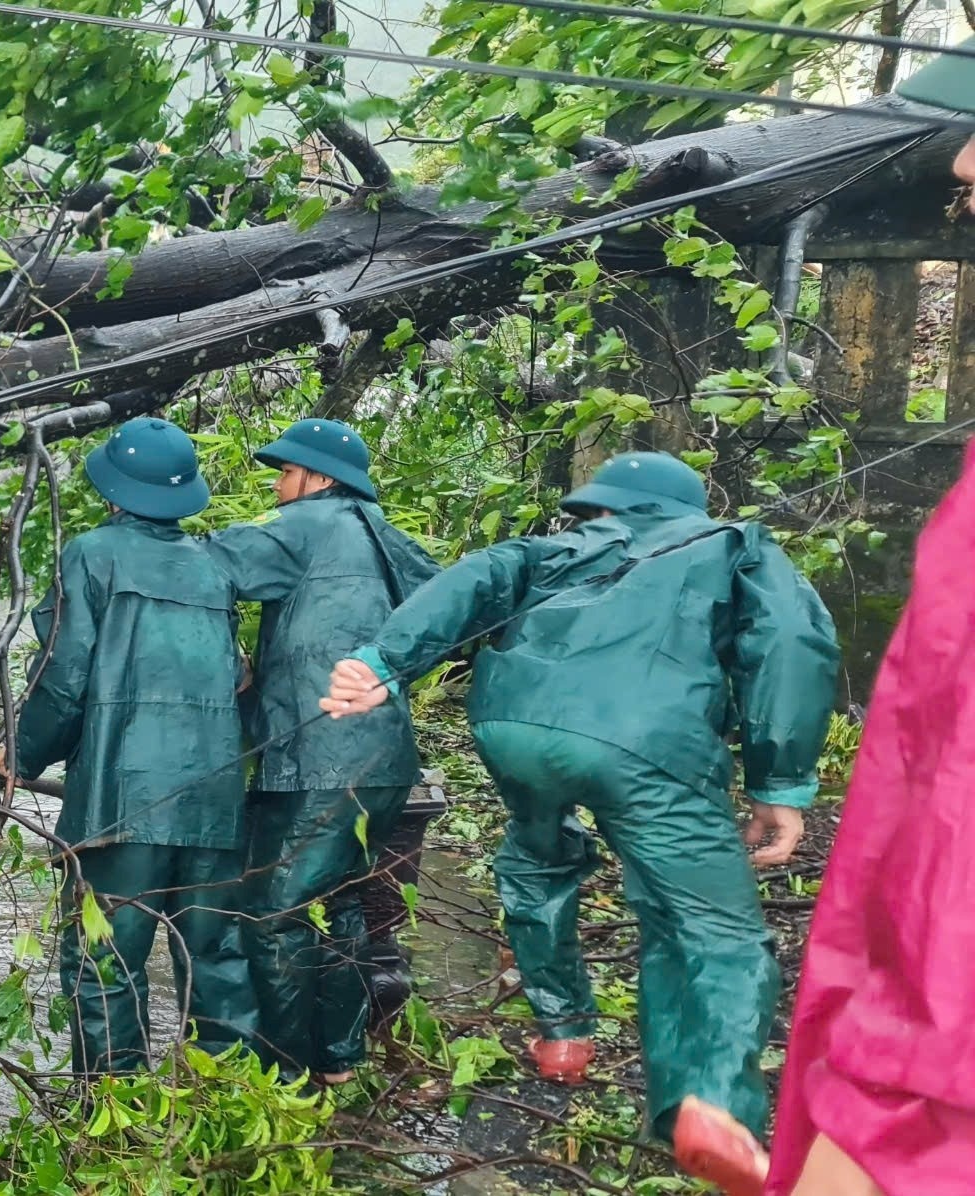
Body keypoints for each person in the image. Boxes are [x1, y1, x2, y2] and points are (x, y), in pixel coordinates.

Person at [318, 451, 838, 1187]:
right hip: (646, 740)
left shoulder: (547, 549)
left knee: (538, 858)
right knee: (709, 929)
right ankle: (710, 1101)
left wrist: (380, 662)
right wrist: (779, 783)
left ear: (598, 508)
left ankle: (562, 1030)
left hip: (514, 729)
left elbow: (474, 579)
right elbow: (789, 644)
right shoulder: (734, 543)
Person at [759, 44, 975, 1196]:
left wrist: (873, 1115)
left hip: (924, 1082)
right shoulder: (750, 563)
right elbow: (795, 654)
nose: (962, 163)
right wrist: (779, 787)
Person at [9, 416, 260, 1073]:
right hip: (215, 797)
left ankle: (115, 1118)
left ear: (114, 491)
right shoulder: (212, 564)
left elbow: (65, 678)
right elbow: (237, 676)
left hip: (122, 798)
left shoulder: (92, 553)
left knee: (105, 959)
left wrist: (16, 758)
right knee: (216, 956)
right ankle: (232, 1098)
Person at [204, 419, 440, 1084]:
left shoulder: (309, 521)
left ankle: (285, 1075)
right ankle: (339, 1059)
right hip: (384, 761)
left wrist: (229, 662)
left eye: (285, 473)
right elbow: (458, 607)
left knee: (272, 915)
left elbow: (197, 571)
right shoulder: (387, 536)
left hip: (320, 760)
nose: (278, 488)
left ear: (320, 479)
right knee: (332, 903)